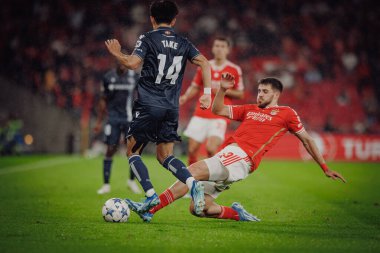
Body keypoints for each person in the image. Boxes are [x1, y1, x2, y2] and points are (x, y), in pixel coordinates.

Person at [127, 73, 346, 222]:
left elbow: (307, 139)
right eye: (259, 90)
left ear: (276, 94)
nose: (259, 94)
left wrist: (325, 167)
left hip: (241, 157)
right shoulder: (250, 109)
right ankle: (237, 214)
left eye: (265, 92)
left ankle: (150, 209)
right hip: (229, 156)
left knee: (192, 171)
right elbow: (219, 109)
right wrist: (222, 89)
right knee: (198, 209)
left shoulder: (286, 113)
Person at [104, 0, 212, 214]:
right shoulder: (183, 42)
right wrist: (207, 94)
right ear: (174, 19)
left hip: (148, 104)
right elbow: (205, 63)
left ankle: (151, 196)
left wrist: (116, 53)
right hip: (171, 107)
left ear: (152, 18)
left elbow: (134, 64)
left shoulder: (147, 37)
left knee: (132, 151)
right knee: (165, 156)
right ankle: (193, 184)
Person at [180, 37, 244, 165]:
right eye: (217, 46)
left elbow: (240, 94)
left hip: (219, 114)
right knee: (192, 150)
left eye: (222, 46)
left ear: (228, 50)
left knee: (211, 148)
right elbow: (195, 86)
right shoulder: (205, 66)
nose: (219, 49)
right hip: (200, 113)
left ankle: (211, 178)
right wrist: (185, 97)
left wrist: (222, 90)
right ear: (213, 48)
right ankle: (193, 180)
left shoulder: (234, 69)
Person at [94, 64, 142, 195]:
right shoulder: (108, 77)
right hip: (113, 119)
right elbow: (103, 100)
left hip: (129, 119)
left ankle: (132, 181)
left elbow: (143, 93)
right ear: (115, 61)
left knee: (133, 151)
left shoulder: (134, 76)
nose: (122, 65)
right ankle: (106, 184)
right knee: (110, 149)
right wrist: (99, 121)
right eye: (119, 61)